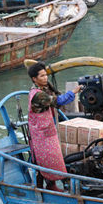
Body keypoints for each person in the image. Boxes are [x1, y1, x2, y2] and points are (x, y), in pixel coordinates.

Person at [27, 62, 83, 191]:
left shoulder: (42, 90)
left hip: (47, 130)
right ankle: (41, 188)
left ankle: (50, 185)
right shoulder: (38, 95)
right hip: (40, 133)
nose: (45, 78)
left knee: (51, 158)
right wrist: (74, 91)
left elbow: (55, 97)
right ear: (34, 79)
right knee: (44, 159)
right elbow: (58, 101)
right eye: (41, 76)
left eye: (46, 75)